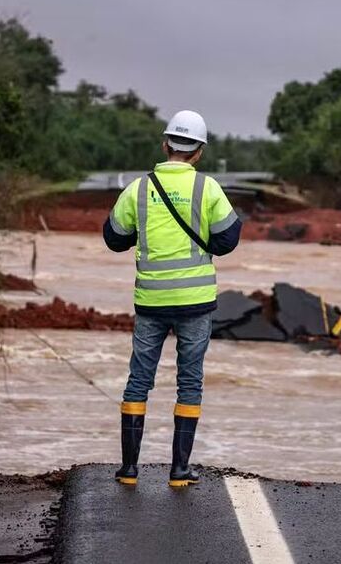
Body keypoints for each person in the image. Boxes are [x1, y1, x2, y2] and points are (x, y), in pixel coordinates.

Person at [102, 110, 242, 487]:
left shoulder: (138, 189)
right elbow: (229, 240)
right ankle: (179, 471)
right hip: (196, 302)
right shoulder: (207, 189)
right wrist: (204, 243)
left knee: (138, 381)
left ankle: (129, 470)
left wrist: (142, 237)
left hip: (150, 303)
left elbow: (113, 238)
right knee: (190, 382)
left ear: (165, 145)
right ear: (198, 152)